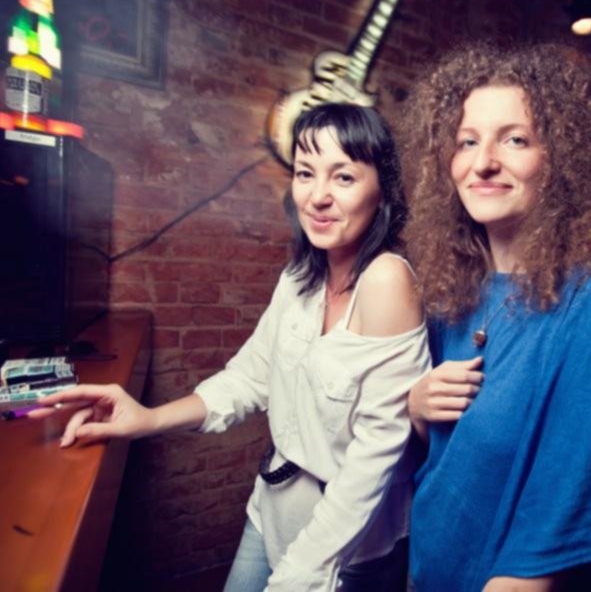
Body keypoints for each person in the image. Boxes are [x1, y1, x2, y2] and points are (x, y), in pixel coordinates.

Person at [34, 104, 429, 592]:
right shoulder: (301, 276)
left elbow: (376, 457)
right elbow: (250, 376)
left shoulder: (387, 280)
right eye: (305, 173)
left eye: (343, 177)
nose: (318, 197)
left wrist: (300, 573)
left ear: (382, 190)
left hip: (347, 548)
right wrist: (147, 419)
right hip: (271, 510)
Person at [399, 43, 591, 591]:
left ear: (562, 158)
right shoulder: (453, 286)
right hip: (430, 564)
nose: (483, 163)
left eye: (515, 139)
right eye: (467, 141)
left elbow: (563, 512)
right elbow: (444, 452)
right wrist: (416, 407)